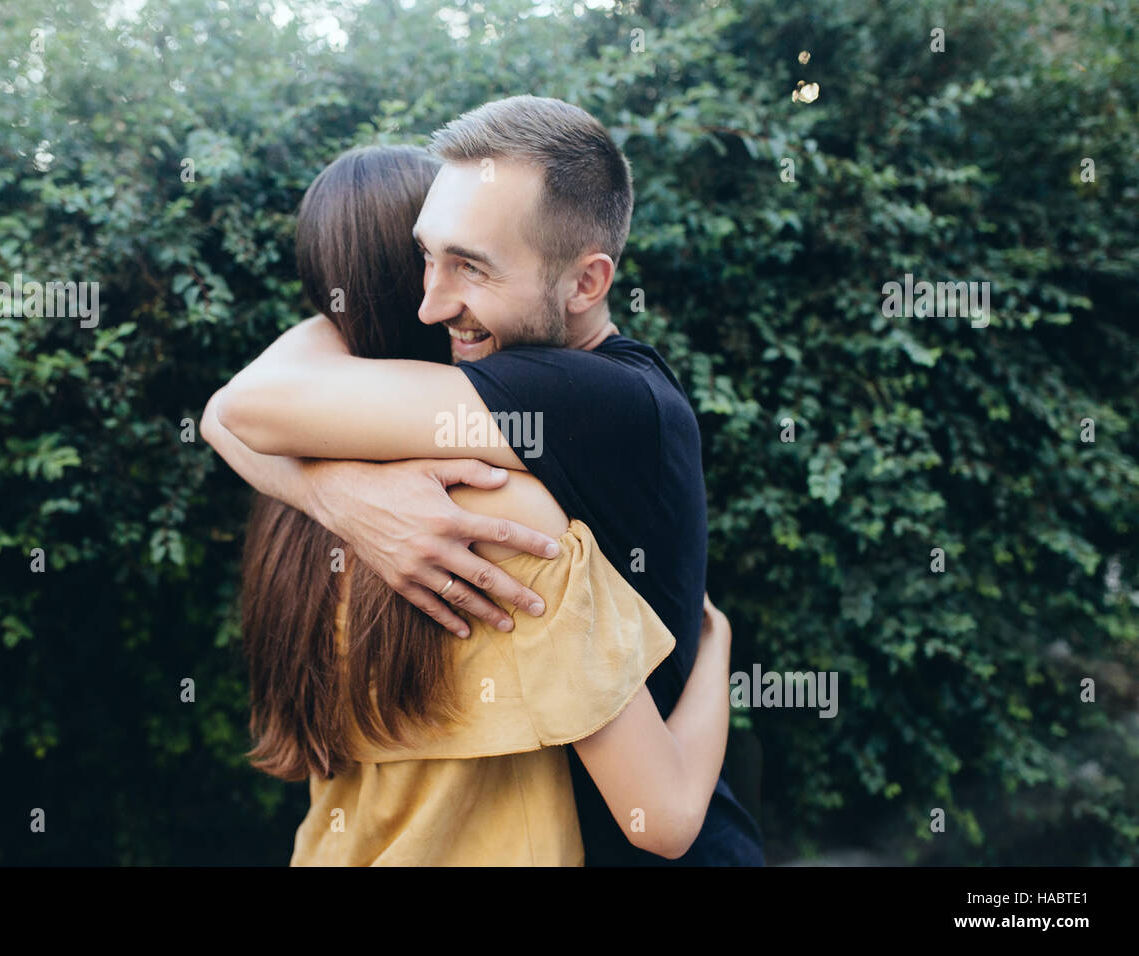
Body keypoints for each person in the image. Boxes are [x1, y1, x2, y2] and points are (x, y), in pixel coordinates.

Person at [211, 97, 766, 866]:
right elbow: (233, 409)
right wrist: (341, 499)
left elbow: (237, 408)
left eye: (471, 264)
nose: (433, 301)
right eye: (422, 258)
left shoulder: (592, 402)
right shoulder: (438, 466)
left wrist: (322, 497)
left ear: (587, 283)